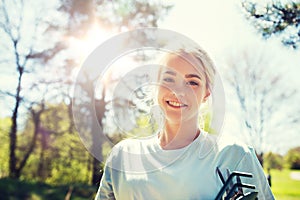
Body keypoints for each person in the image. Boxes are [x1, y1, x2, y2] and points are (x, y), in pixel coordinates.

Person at [95, 47, 274, 199]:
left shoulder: (233, 155)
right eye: (168, 79)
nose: (178, 91)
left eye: (192, 82)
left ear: (206, 94)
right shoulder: (123, 155)